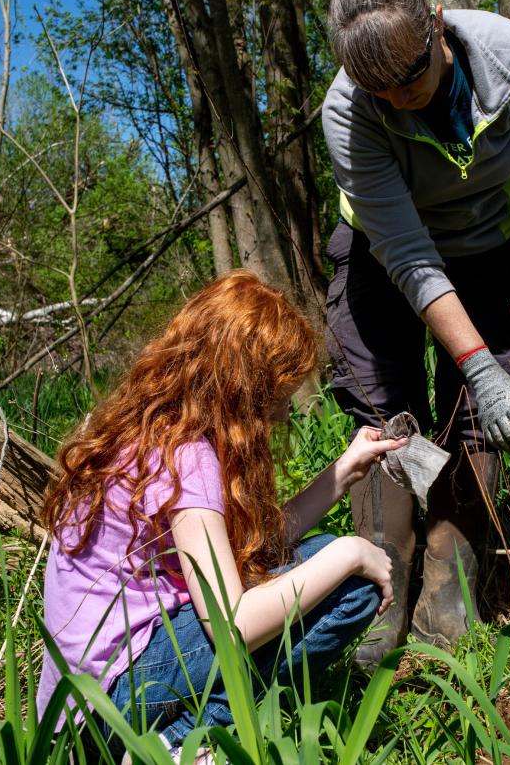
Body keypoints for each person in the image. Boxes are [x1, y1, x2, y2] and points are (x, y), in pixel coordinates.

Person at [322, 0, 510, 664]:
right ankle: (381, 589)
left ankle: (449, 582)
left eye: (410, 79)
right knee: (387, 414)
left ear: (436, 23)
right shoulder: (347, 111)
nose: (400, 101)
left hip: (486, 248)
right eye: (382, 93)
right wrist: (473, 357)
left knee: (484, 416)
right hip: (384, 260)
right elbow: (407, 254)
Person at [35, 271, 406, 757]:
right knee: (347, 587)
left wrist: (343, 471)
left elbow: (252, 548)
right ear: (242, 388)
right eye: (277, 396)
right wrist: (354, 552)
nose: (281, 415)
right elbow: (233, 627)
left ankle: (187, 728)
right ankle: (175, 743)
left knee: (315, 560)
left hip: (79, 701)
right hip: (110, 706)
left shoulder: (153, 432)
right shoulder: (188, 457)